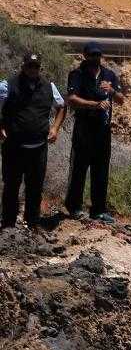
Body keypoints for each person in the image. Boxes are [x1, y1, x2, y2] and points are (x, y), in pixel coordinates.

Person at [0, 54, 65, 232]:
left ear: (39, 68)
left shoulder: (49, 86)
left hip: (38, 147)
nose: (32, 70)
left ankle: (32, 223)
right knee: (11, 186)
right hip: (14, 146)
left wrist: (55, 128)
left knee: (35, 187)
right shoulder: (8, 85)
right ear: (23, 66)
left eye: (35, 67)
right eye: (29, 66)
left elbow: (61, 106)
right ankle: (8, 225)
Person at [64, 44, 124, 224]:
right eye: (91, 55)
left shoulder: (109, 75)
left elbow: (121, 99)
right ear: (85, 56)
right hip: (84, 129)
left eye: (97, 55)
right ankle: (74, 207)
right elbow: (72, 99)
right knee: (79, 169)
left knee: (101, 171)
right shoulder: (77, 74)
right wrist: (95, 105)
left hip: (103, 131)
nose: (94, 58)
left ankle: (98, 210)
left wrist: (112, 91)